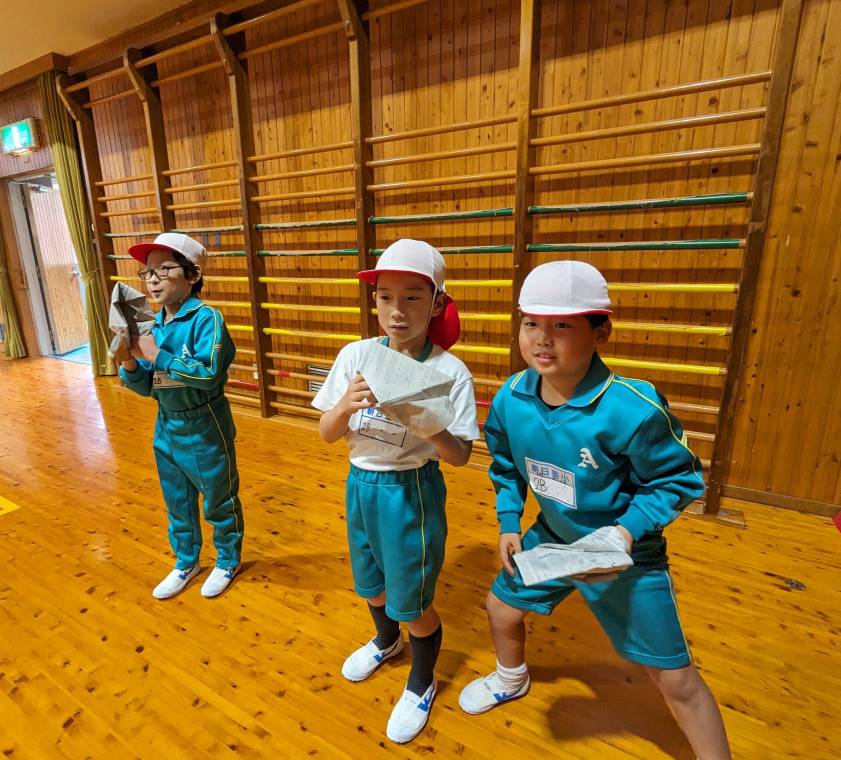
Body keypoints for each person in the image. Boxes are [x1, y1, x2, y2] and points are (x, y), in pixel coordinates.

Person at [458, 261, 732, 760]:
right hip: (553, 538)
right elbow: (505, 467)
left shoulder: (634, 407)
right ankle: (510, 677)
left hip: (625, 554)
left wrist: (624, 535)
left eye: (562, 326)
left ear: (600, 329)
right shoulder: (510, 398)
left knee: (675, 680)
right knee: (500, 608)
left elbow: (679, 479)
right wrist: (507, 521)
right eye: (531, 323)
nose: (542, 339)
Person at [311, 239, 479, 744]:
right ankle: (386, 641)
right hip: (360, 484)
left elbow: (462, 456)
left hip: (412, 492)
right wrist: (343, 404)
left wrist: (425, 423)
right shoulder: (356, 354)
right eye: (385, 296)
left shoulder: (450, 371)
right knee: (372, 581)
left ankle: (421, 681)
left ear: (436, 302)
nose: (396, 310)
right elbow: (327, 433)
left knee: (412, 598)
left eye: (412, 297)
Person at [119, 233, 244, 601]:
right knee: (177, 500)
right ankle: (186, 560)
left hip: (204, 422)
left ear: (193, 275)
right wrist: (129, 363)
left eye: (164, 269)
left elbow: (207, 376)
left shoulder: (206, 319)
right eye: (147, 272)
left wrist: (157, 355)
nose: (152, 279)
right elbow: (149, 387)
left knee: (218, 498)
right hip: (166, 423)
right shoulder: (149, 323)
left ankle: (227, 559)